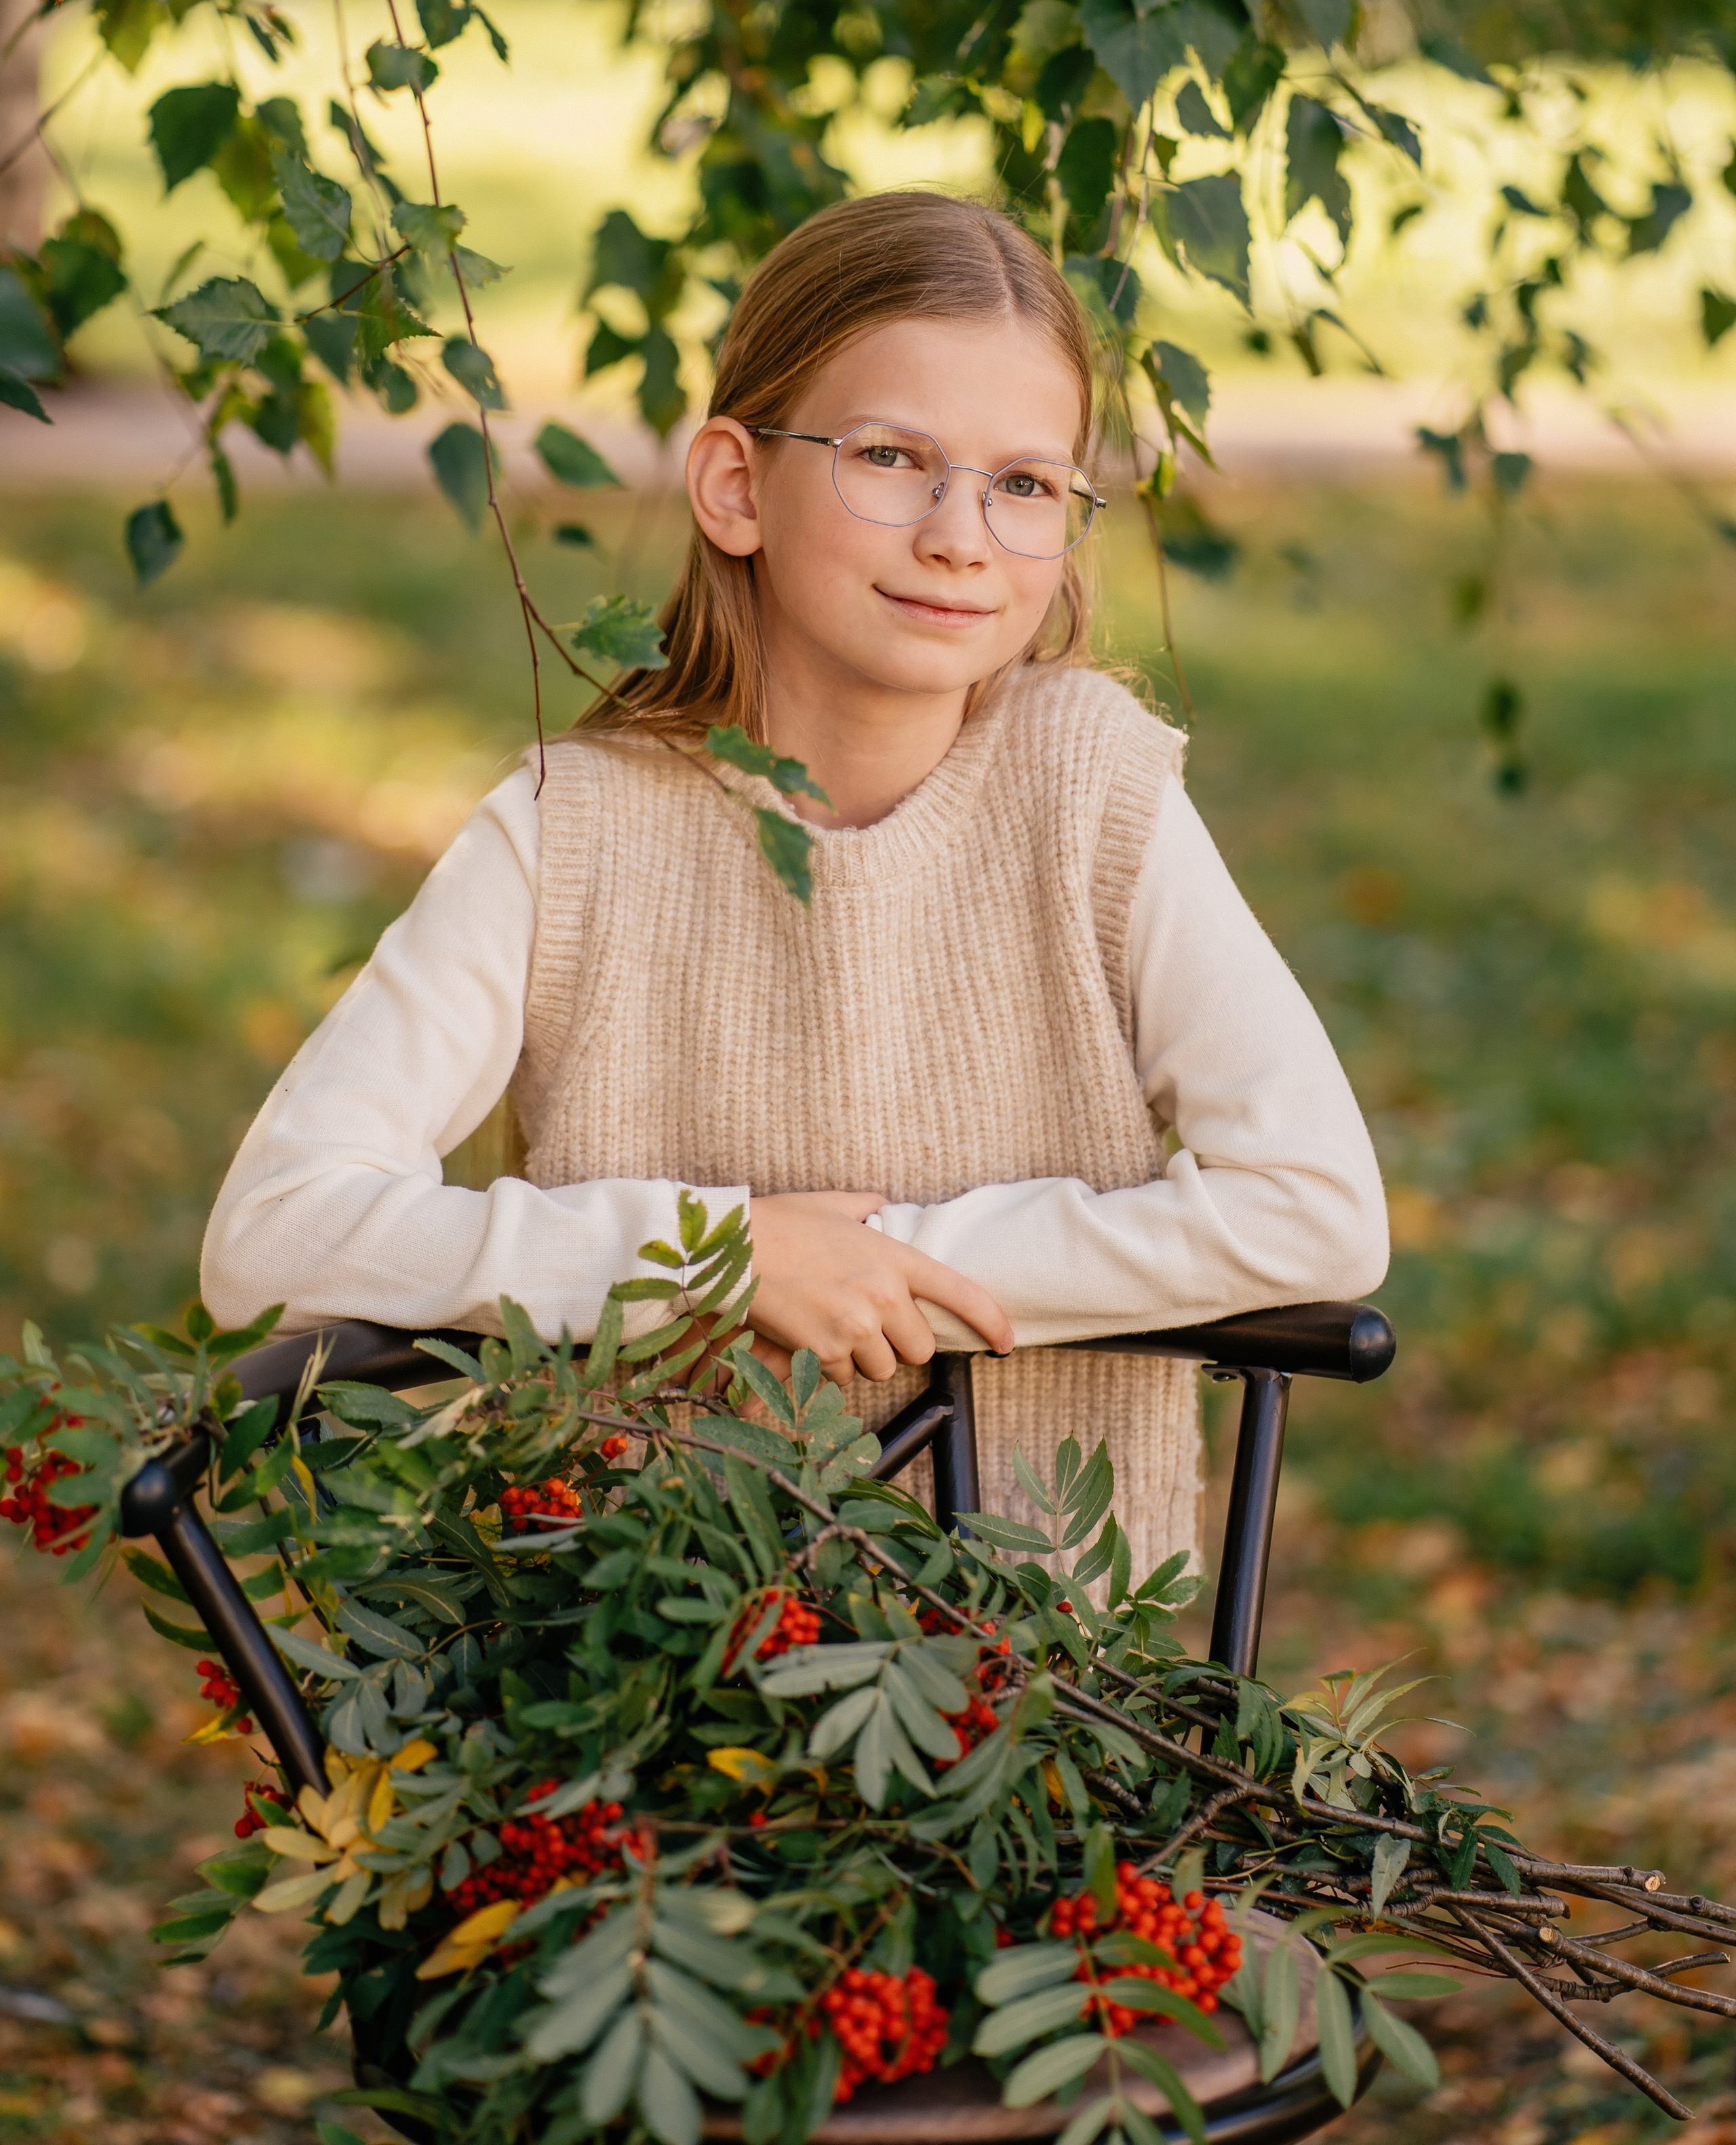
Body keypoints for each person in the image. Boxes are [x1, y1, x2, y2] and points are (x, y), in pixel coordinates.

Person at [202, 190, 1387, 1575]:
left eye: (1023, 485)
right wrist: (715, 1261)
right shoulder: (572, 831)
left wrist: (874, 1264)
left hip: (1031, 1669)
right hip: (631, 1642)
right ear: (733, 486)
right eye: (890, 457)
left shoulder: (1090, 790)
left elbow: (1314, 1210)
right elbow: (276, 1234)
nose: (960, 536)